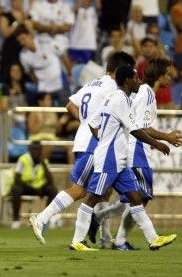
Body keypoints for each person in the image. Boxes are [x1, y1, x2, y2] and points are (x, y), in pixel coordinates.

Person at [28, 52, 136, 244]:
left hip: (86, 140)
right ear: (121, 72)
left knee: (104, 190)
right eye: (131, 72)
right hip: (93, 143)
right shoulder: (114, 88)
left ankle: (104, 237)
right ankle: (42, 218)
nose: (133, 76)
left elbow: (70, 105)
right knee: (79, 190)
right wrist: (92, 125)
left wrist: (85, 122)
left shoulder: (93, 83)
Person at [68, 65, 178, 252]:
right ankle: (77, 241)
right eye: (136, 78)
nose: (139, 81)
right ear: (127, 81)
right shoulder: (120, 100)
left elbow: (93, 123)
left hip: (120, 160)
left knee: (136, 197)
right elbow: (135, 130)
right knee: (93, 197)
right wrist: (158, 143)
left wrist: (103, 138)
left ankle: (153, 239)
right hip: (109, 160)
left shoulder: (113, 98)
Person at [8, 141, 58, 230]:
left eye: (38, 150)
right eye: (34, 149)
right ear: (29, 150)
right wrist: (32, 188)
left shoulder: (44, 162)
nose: (36, 152)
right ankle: (15, 221)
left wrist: (43, 163)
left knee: (53, 189)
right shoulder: (23, 159)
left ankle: (46, 218)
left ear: (41, 151)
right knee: (16, 189)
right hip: (25, 187)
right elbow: (17, 179)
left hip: (39, 188)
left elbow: (50, 181)